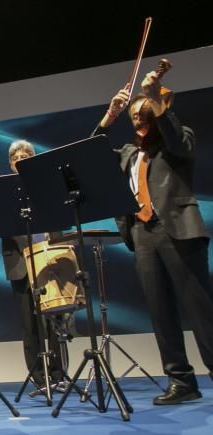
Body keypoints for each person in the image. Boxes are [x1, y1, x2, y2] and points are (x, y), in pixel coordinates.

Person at [93, 71, 213, 404]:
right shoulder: (128, 153)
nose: (140, 121)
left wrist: (155, 97)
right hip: (142, 234)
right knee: (160, 311)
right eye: (134, 117)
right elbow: (91, 153)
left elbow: (174, 135)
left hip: (177, 229)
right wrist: (109, 116)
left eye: (146, 115)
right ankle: (181, 380)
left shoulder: (177, 142)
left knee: (199, 308)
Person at [1, 140, 65, 396]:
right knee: (30, 326)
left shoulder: (46, 188)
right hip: (21, 264)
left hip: (49, 260)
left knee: (55, 323)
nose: (20, 159)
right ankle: (39, 378)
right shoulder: (4, 192)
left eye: (25, 155)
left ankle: (59, 375)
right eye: (16, 157)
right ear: (10, 164)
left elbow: (58, 220)